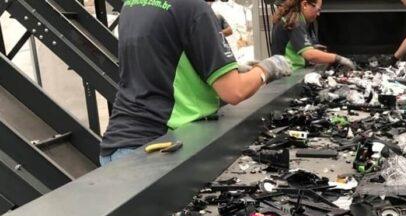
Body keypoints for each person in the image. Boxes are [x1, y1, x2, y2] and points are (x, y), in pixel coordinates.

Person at [99, 0, 291, 165]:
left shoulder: (132, 4)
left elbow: (161, 60)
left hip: (117, 145)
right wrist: (268, 68)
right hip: (157, 147)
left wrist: (219, 67)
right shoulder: (193, 7)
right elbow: (234, 91)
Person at [270, 0, 355, 71]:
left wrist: (312, 48)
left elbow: (291, 47)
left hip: (285, 70)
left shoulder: (292, 18)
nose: (318, 14)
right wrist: (339, 58)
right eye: (318, 10)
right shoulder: (295, 22)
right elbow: (309, 55)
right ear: (305, 4)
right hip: (288, 74)